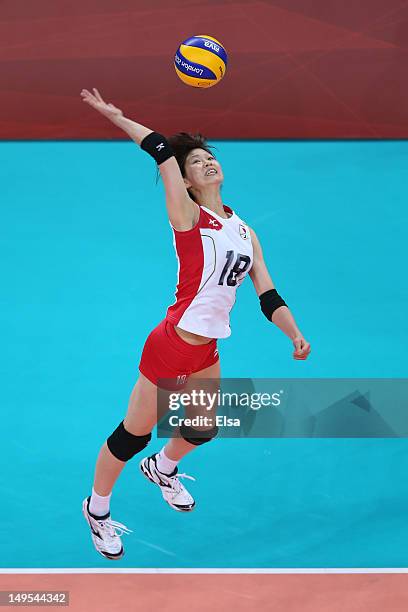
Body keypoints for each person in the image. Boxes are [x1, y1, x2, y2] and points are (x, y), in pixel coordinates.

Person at [80, 88, 311, 560]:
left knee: (202, 430)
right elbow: (161, 150)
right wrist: (118, 117)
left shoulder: (244, 230)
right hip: (171, 345)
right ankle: (97, 510)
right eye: (197, 161)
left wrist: (293, 332)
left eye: (210, 157)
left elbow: (267, 293)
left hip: (206, 348)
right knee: (133, 435)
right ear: (184, 180)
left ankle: (163, 469)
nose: (207, 163)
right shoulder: (188, 216)